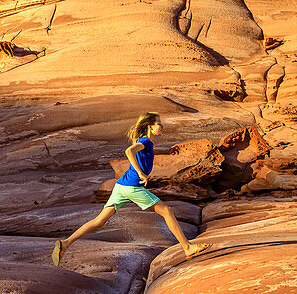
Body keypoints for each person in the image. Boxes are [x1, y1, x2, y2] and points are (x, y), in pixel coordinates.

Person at [52, 112, 209, 266]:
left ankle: (65, 243)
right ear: (150, 126)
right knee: (167, 210)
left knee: (99, 221)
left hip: (121, 186)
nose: (162, 126)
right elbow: (129, 151)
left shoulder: (146, 141)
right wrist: (140, 172)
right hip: (131, 186)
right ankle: (187, 247)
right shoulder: (146, 141)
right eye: (159, 123)